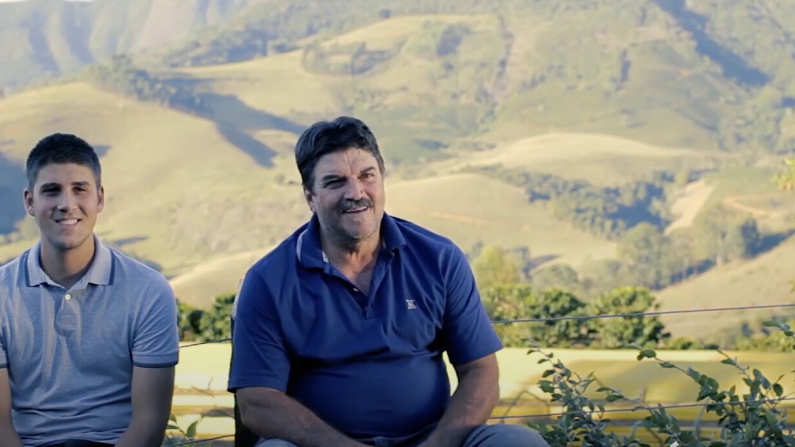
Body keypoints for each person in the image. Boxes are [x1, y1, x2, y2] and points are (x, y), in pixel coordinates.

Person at [228, 116, 549, 447]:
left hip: (433, 440)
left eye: (367, 176)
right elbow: (257, 401)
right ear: (310, 196)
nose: (356, 193)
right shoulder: (268, 280)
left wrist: (439, 444)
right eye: (335, 182)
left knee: (517, 441)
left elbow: (481, 372)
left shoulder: (438, 258)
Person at [0, 133, 180, 447]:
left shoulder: (149, 291)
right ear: (30, 201)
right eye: (51, 190)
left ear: (99, 198)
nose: (67, 204)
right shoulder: (3, 293)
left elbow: (149, 422)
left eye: (79, 189)